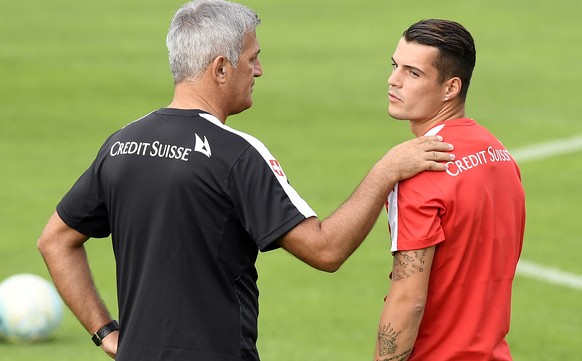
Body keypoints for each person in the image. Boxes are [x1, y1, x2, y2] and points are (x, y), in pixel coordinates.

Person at [37, 2, 454, 360]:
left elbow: (55, 241)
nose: (259, 70)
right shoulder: (234, 153)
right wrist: (386, 169)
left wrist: (106, 333)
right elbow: (326, 250)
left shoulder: (121, 144)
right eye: (251, 58)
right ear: (221, 68)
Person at [374, 19, 526, 361]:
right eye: (395, 65)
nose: (393, 80)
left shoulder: (419, 172)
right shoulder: (500, 154)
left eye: (413, 73)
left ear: (450, 87)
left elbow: (407, 299)